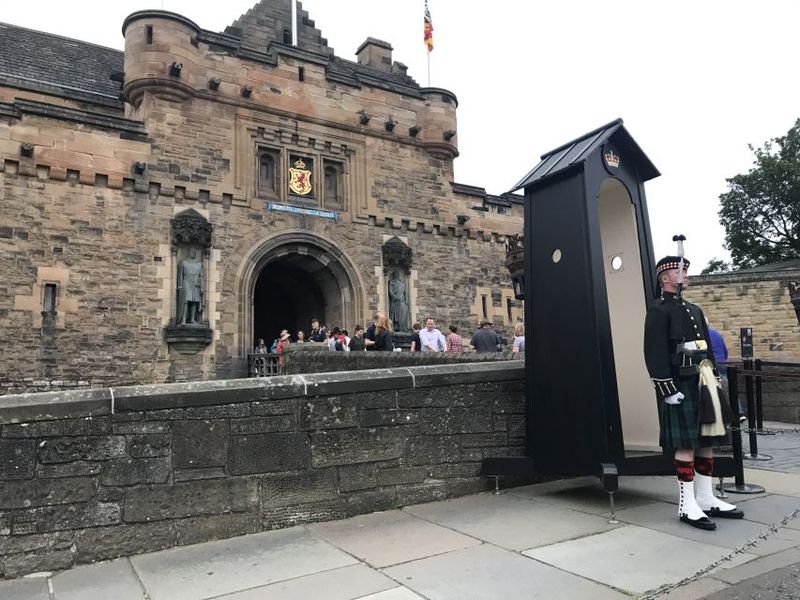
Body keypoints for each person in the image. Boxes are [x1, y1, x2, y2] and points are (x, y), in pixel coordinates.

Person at [644, 255, 743, 531]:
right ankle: (687, 504)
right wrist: (666, 388)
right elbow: (654, 352)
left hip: (702, 381)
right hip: (680, 383)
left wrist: (714, 379)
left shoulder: (694, 309)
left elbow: (707, 348)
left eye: (686, 271)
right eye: (680, 272)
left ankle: (706, 497)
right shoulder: (658, 311)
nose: (685, 275)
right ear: (665, 278)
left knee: (706, 440)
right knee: (686, 444)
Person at [177, 248, 203, 325]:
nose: (192, 253)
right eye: (191, 252)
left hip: (195, 283)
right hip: (187, 281)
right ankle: (183, 318)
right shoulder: (184, 263)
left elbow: (201, 276)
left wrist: (200, 284)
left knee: (194, 301)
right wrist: (180, 285)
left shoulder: (199, 264)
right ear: (189, 253)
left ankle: (192, 319)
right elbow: (181, 274)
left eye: (194, 252)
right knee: (186, 300)